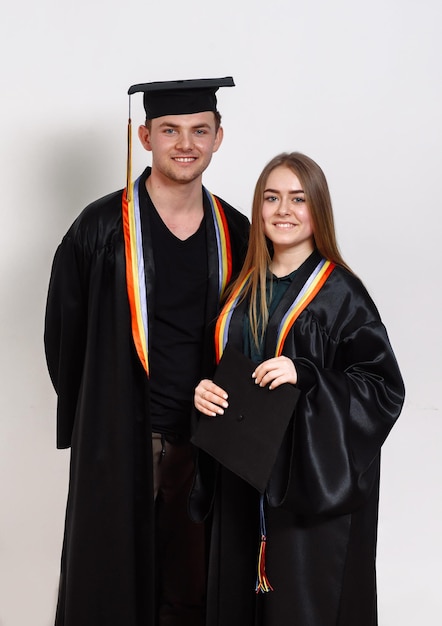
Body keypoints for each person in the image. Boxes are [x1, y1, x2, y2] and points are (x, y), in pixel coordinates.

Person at [44, 77, 250, 626]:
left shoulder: (237, 231)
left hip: (206, 441)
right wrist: (98, 413)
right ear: (145, 136)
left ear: (218, 138)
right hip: (121, 437)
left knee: (195, 588)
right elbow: (62, 335)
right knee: (111, 585)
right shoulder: (99, 228)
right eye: (170, 131)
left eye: (199, 131)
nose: (186, 143)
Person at [193, 152, 405, 626]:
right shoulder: (239, 290)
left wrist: (306, 374)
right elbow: (218, 369)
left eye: (298, 199)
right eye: (271, 198)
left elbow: (383, 387)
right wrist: (202, 391)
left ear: (318, 211)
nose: (283, 210)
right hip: (239, 478)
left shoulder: (340, 294)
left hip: (305, 490)